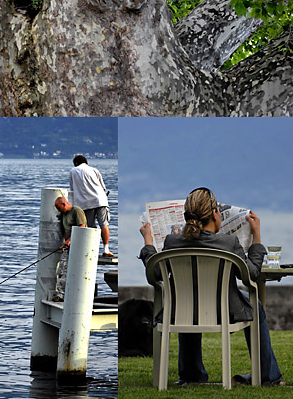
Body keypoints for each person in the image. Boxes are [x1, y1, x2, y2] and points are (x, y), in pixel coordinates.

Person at [139, 187, 284, 386]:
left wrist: (148, 241)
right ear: (216, 214)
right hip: (225, 312)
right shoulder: (228, 242)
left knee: (187, 302)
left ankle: (191, 375)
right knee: (256, 307)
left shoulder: (172, 241)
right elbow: (250, 274)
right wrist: (256, 236)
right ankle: (268, 376)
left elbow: (154, 274)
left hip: (180, 311)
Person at [69, 154, 113, 256]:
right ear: (86, 162)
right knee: (104, 224)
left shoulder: (73, 171)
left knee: (90, 227)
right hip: (100, 200)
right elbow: (103, 188)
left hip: (85, 203)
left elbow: (72, 190)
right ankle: (106, 249)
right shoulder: (94, 170)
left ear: (76, 163)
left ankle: (91, 250)